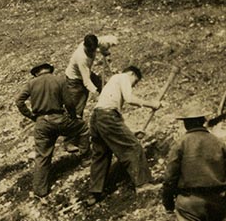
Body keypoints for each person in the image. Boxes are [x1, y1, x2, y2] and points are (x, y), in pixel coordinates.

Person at [86, 66, 163, 205]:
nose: (134, 84)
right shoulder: (123, 77)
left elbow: (114, 123)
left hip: (96, 118)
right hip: (107, 117)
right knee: (133, 147)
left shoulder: (112, 83)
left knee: (101, 154)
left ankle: (94, 193)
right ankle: (143, 184)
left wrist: (132, 132)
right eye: (135, 81)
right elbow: (129, 98)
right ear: (132, 74)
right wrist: (151, 104)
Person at [15, 62, 90, 197]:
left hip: (42, 123)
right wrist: (73, 116)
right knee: (83, 128)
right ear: (49, 69)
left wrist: (32, 116)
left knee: (42, 156)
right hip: (59, 119)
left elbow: (19, 101)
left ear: (37, 72)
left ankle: (40, 191)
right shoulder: (59, 80)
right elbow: (69, 102)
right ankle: (85, 159)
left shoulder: (31, 84)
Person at [64, 34, 103, 119]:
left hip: (86, 72)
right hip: (74, 80)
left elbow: (105, 41)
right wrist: (95, 92)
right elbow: (86, 81)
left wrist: (104, 50)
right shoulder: (81, 58)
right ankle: (75, 126)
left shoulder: (92, 43)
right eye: (90, 50)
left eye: (94, 50)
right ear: (85, 46)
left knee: (103, 86)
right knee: (77, 107)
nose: (92, 52)